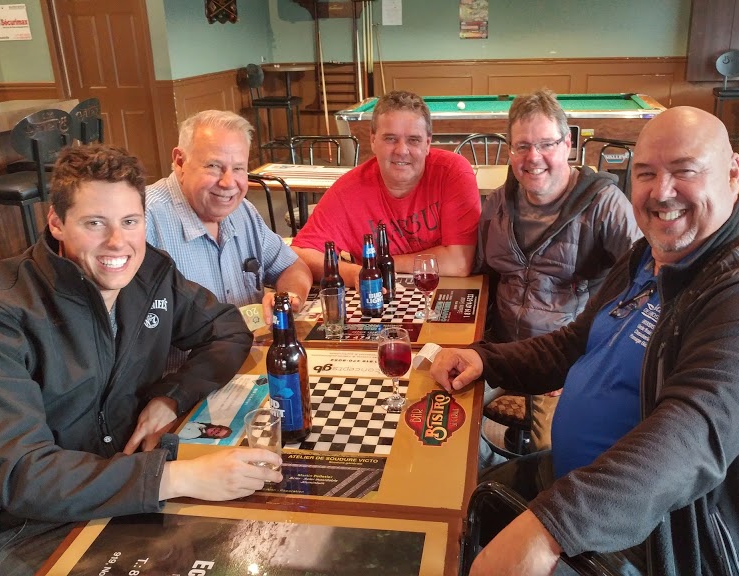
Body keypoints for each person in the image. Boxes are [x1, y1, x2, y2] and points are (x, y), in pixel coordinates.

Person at [432, 106, 739, 575]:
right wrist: (486, 360)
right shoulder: (648, 255)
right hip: (577, 480)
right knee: (447, 515)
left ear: (733, 173)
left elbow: (691, 438)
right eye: (645, 173)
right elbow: (574, 344)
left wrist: (552, 525)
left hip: (672, 535)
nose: (661, 192)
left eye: (684, 170)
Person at [0, 144, 282, 574]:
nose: (118, 242)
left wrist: (172, 396)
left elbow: (227, 330)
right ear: (57, 223)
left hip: (133, 476)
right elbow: (25, 477)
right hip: (29, 526)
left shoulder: (150, 273)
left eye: (130, 222)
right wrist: (180, 477)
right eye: (95, 223)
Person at [476, 89, 641, 455]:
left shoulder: (605, 205)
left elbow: (645, 287)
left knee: (554, 459)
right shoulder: (497, 203)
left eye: (546, 144)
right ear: (510, 151)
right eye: (522, 146)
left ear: (568, 144)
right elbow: (482, 274)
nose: (533, 157)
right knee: (437, 413)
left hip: (565, 365)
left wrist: (591, 362)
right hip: (501, 353)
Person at [292, 90, 481, 286]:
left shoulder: (452, 172)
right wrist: (355, 273)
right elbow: (300, 254)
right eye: (390, 139)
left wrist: (380, 265)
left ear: (427, 143)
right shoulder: (348, 190)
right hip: (379, 295)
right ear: (373, 141)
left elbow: (459, 263)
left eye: (413, 140)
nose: (402, 151)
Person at [146, 110, 312, 321]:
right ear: (180, 162)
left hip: (252, 342)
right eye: (214, 166)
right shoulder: (142, 221)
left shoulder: (243, 211)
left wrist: (288, 297)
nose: (228, 183)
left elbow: (291, 266)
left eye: (238, 168)